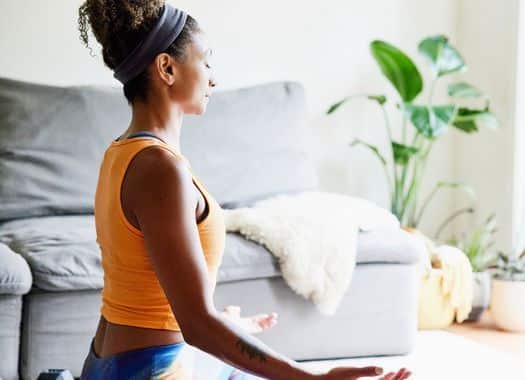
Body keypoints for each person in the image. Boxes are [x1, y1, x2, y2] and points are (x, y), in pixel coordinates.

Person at [77, 1, 412, 379]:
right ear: (167, 68)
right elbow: (196, 324)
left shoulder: (121, 152)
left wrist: (223, 325)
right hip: (149, 370)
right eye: (205, 62)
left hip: (115, 362)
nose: (213, 79)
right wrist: (307, 378)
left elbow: (153, 296)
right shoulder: (160, 169)